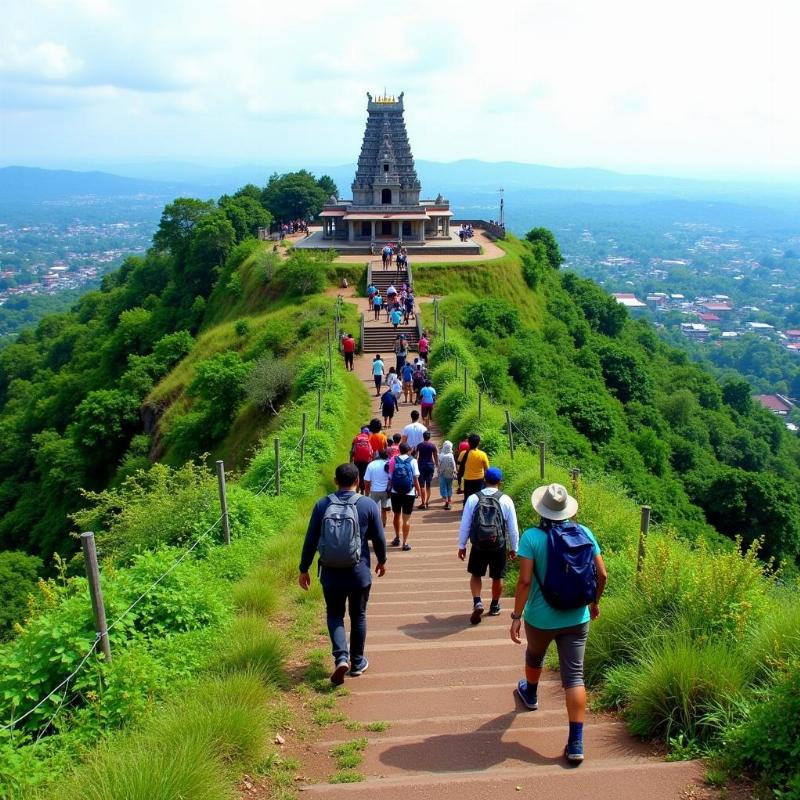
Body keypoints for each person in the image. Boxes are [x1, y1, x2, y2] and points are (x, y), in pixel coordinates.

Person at [509, 483, 607, 764]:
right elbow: (602, 574)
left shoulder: (531, 538)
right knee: (574, 677)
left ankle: (530, 692)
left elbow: (525, 581)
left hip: (540, 617)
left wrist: (516, 617)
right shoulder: (585, 532)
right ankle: (576, 743)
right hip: (577, 616)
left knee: (535, 655)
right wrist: (594, 603)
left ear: (542, 510)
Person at [299, 463, 387, 684]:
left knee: (335, 614)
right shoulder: (367, 505)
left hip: (330, 572)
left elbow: (310, 540)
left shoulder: (322, 504)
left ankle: (341, 657)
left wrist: (304, 568)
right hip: (359, 572)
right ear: (357, 480)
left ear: (335, 480)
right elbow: (379, 538)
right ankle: (357, 663)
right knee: (358, 615)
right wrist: (382, 561)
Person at [458, 467, 519, 624]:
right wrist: (514, 548)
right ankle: (494, 605)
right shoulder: (506, 500)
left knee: (476, 574)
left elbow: (465, 524)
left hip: (478, 544)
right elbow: (513, 528)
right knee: (497, 576)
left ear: (484, 480)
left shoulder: (473, 498)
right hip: (498, 544)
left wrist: (462, 545)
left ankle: (478, 601)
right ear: (500, 482)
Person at [387, 443, 421, 551]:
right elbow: (415, 479)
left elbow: (390, 477)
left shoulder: (393, 460)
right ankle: (405, 543)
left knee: (396, 515)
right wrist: (418, 492)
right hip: (409, 492)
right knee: (406, 519)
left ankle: (397, 537)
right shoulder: (413, 461)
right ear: (409, 450)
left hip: (395, 491)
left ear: (399, 450)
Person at [364, 449, 392, 528]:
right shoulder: (389, 464)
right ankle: (383, 525)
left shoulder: (371, 464)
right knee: (384, 510)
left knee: (374, 509)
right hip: (386, 491)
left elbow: (367, 480)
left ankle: (375, 525)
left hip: (374, 490)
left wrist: (367, 492)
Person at [415, 431, 439, 509]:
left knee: (422, 485)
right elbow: (435, 456)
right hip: (430, 465)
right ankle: (427, 502)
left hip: (421, 465)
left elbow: (417, 456)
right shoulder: (432, 446)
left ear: (423, 436)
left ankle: (423, 503)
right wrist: (437, 465)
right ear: (429, 437)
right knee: (428, 485)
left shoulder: (419, 445)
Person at [351, 426, 373, 493]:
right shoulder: (369, 438)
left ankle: (357, 488)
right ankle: (363, 489)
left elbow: (352, 450)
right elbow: (371, 451)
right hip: (366, 460)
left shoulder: (356, 438)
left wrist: (351, 460)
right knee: (364, 474)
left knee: (358, 474)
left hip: (357, 459)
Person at [438, 440, 457, 510]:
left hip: (442, 474)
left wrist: (439, 471)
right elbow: (453, 464)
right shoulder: (451, 455)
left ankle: (446, 502)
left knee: (443, 487)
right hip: (450, 474)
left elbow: (439, 465)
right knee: (449, 487)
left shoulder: (441, 455)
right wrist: (455, 471)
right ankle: (449, 501)